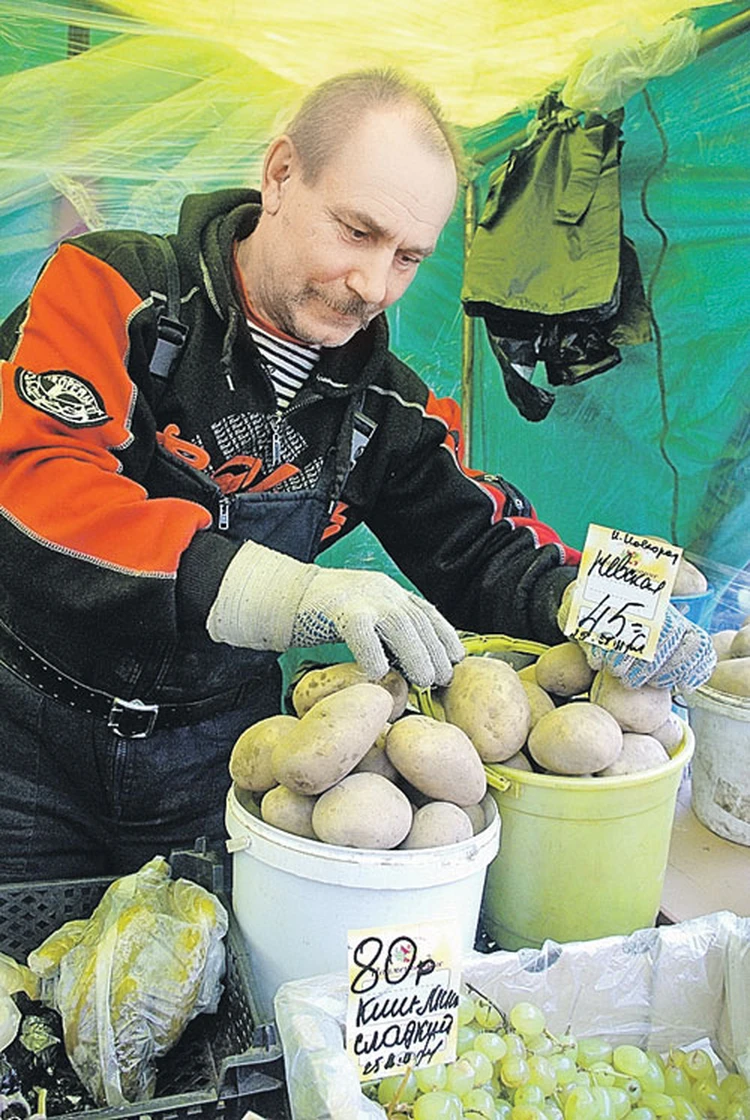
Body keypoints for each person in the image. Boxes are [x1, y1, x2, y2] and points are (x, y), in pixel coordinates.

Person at [0, 68, 714, 884]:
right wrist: (287, 593)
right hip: (28, 743)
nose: (374, 287)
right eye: (357, 231)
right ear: (279, 177)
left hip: (221, 759)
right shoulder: (114, 289)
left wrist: (590, 600)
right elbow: (35, 488)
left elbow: (476, 543)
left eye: (409, 257)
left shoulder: (389, 408)